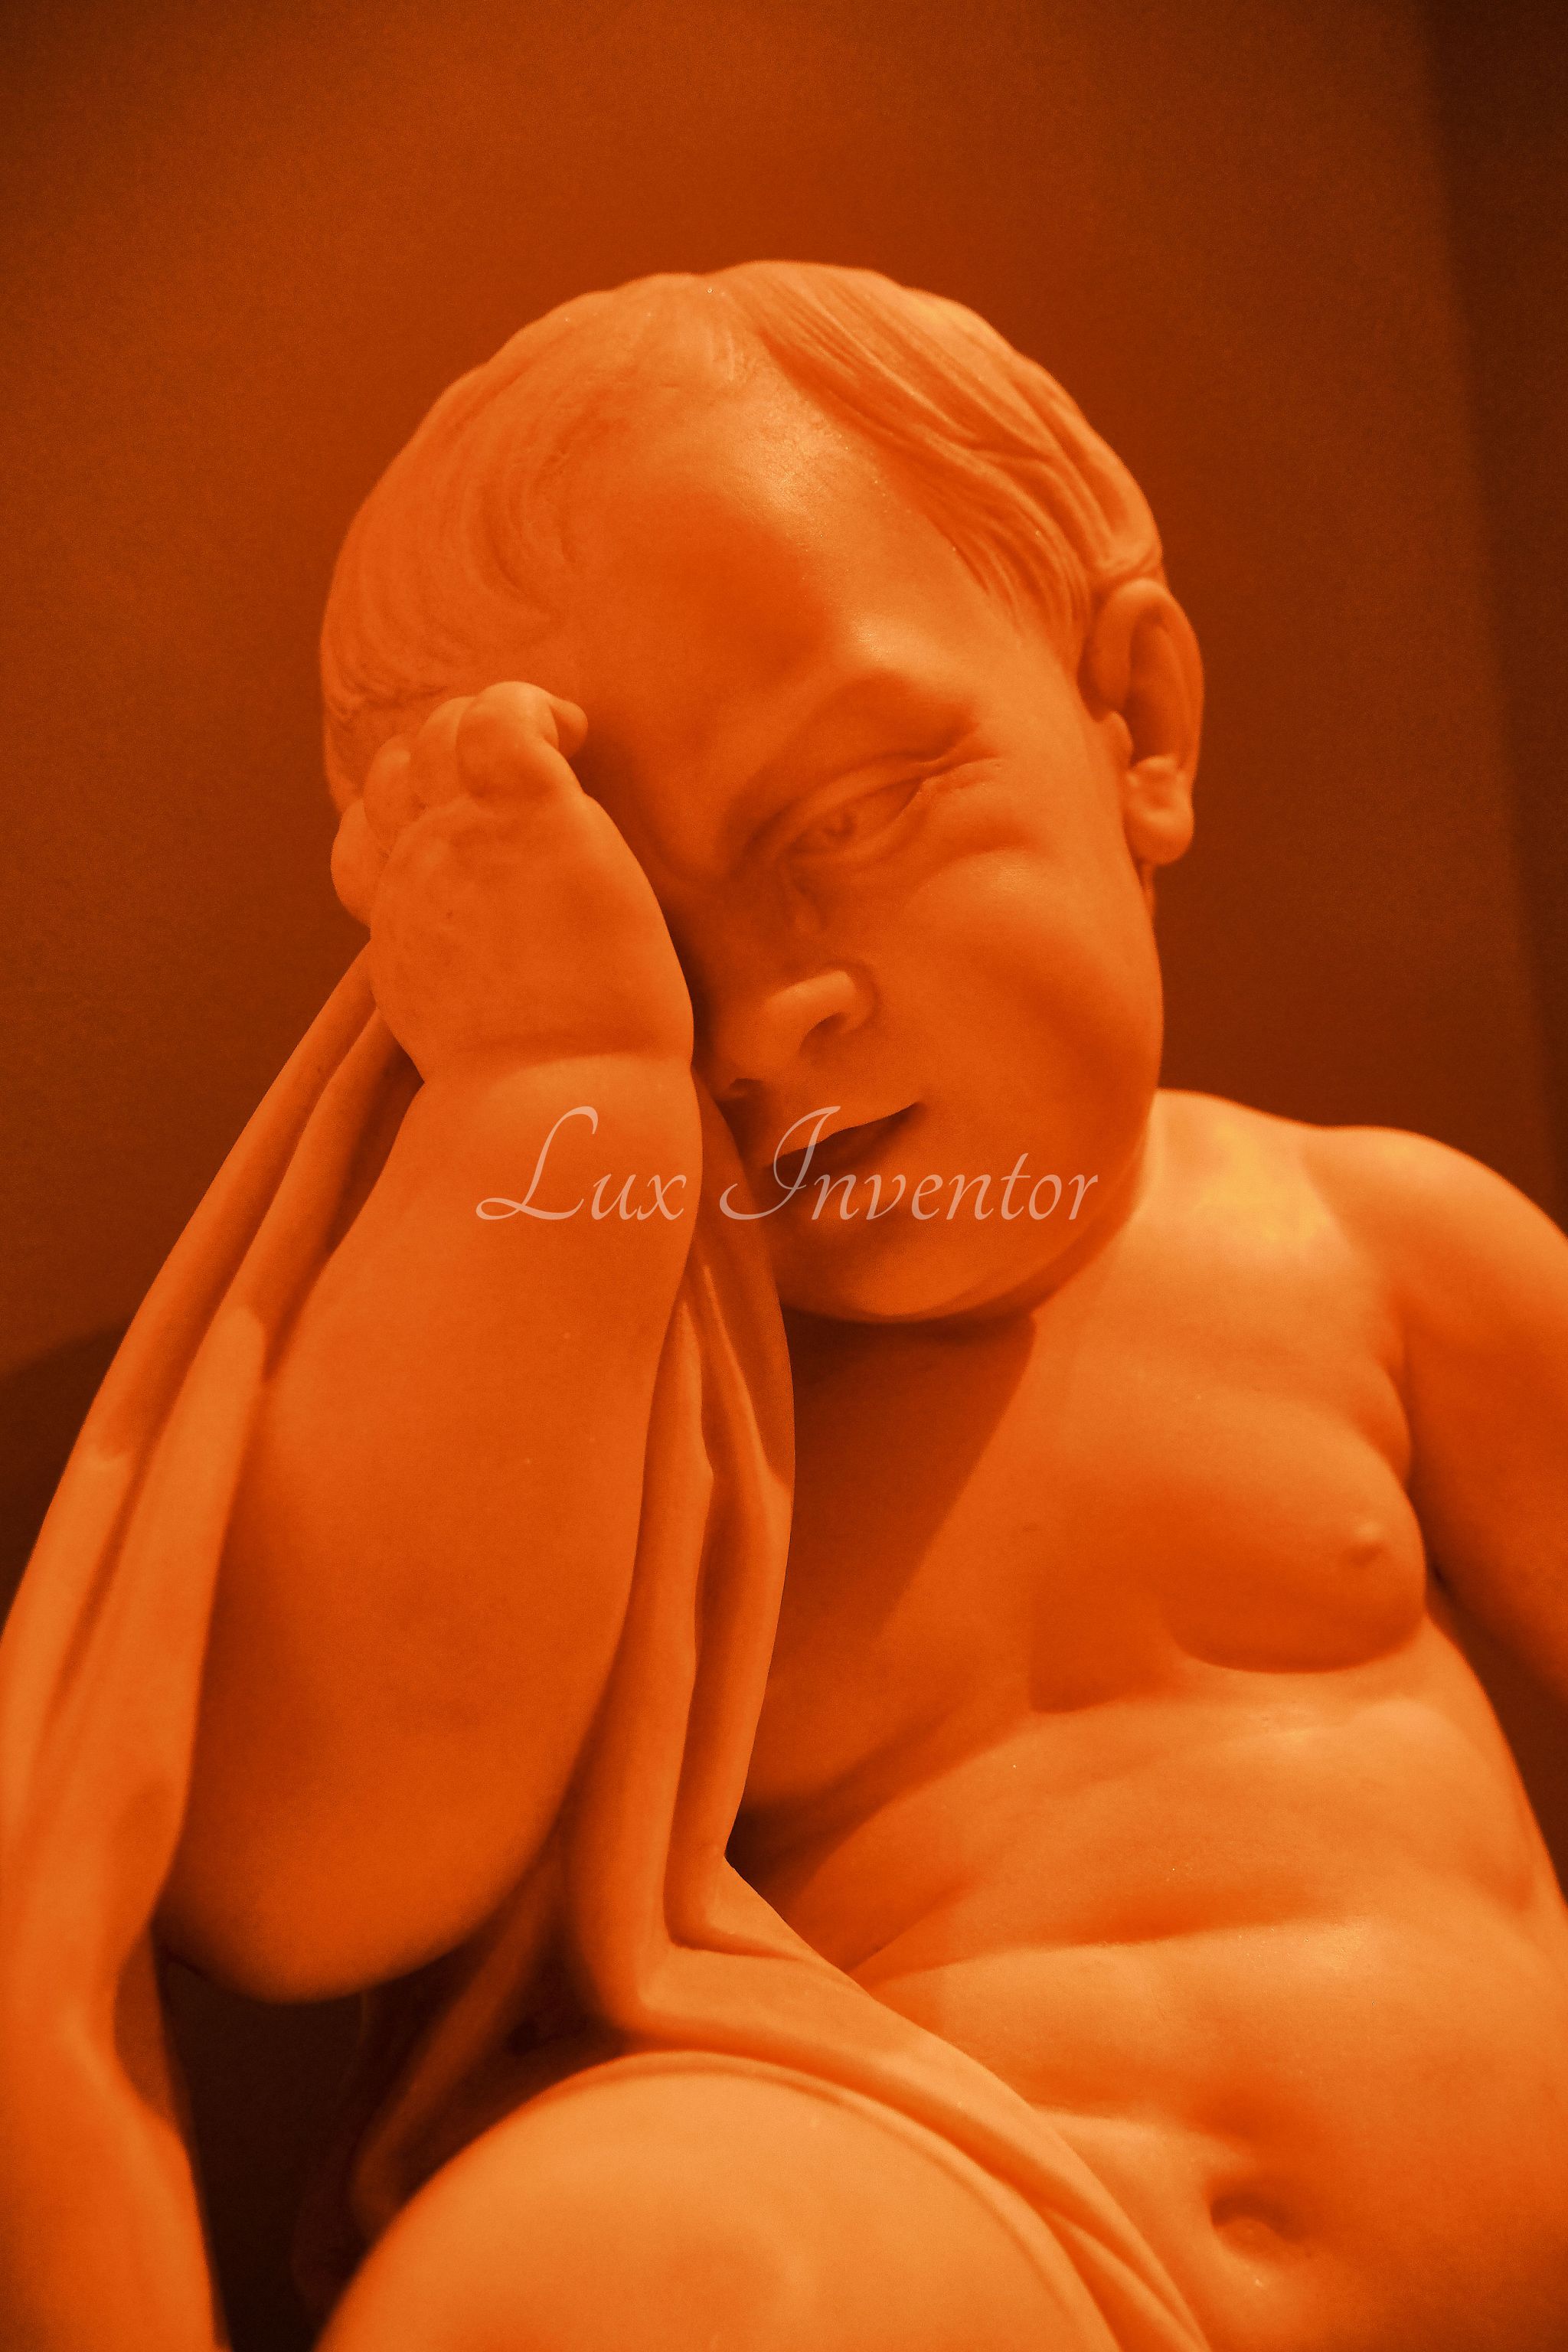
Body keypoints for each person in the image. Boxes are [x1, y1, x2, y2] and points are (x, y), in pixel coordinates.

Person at [3, 263, 1566, 2351]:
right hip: (964, 2250)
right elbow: (302, 1883)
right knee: (591, 2286)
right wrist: (557, 1090)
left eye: (847, 815)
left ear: (1136, 722)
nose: (760, 1012)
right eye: (645, 940)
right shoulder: (615, 1390)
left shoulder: (1363, 1244)